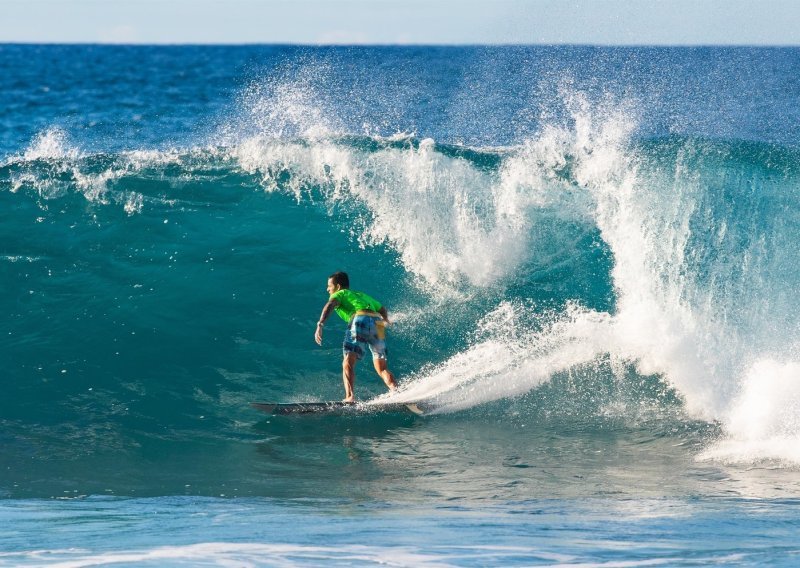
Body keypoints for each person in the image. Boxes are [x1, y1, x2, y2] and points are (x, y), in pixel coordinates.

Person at [314, 271, 397, 402]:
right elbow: (382, 309)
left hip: (360, 319)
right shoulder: (362, 295)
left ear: (338, 286)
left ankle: (349, 397)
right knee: (382, 367)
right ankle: (394, 389)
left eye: (329, 286)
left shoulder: (340, 294)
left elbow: (330, 305)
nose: (327, 289)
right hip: (378, 322)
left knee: (348, 361)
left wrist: (320, 324)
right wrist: (386, 320)